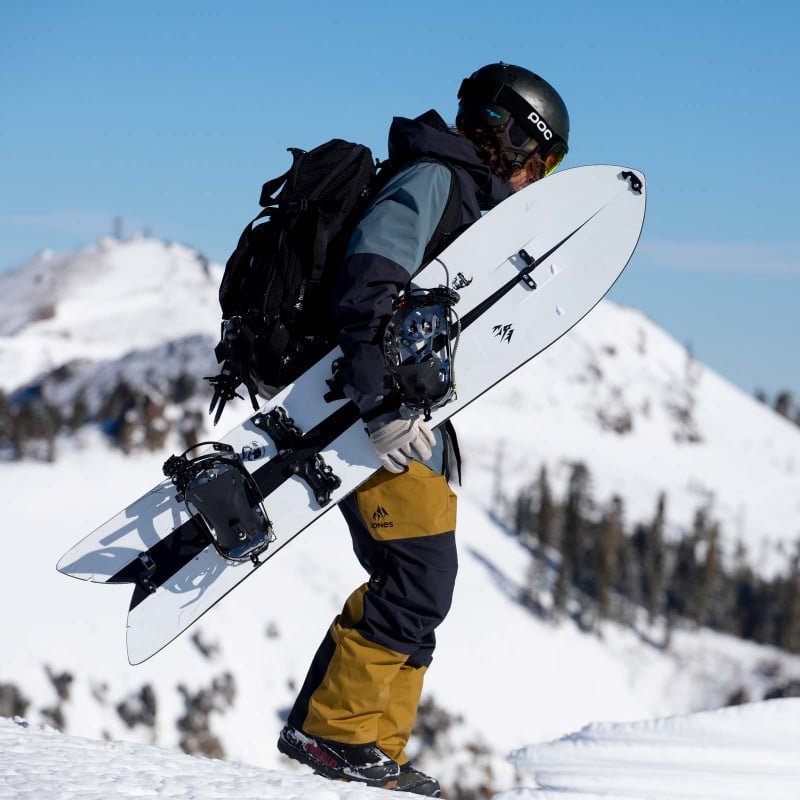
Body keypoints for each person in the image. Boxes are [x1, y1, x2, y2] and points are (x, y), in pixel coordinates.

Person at [277, 62, 570, 795]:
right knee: (413, 580)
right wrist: (380, 406)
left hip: (415, 425)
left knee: (425, 586)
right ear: (507, 139)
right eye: (541, 161)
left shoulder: (465, 198)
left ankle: (373, 748)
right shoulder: (433, 179)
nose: (538, 179)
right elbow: (367, 284)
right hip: (371, 418)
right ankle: (332, 734)